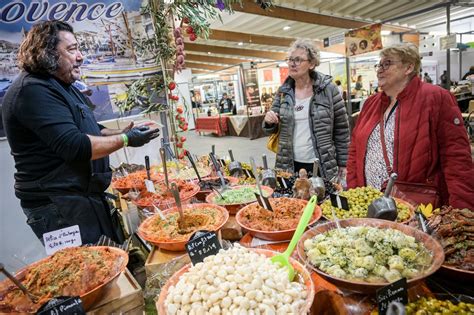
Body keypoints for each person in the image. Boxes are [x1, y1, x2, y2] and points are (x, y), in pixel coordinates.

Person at [2, 21, 160, 245]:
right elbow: (77, 146)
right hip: (58, 205)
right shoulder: (32, 90)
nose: (80, 56)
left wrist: (123, 132)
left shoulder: (61, 85)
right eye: (72, 49)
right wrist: (126, 140)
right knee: (89, 270)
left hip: (82, 197)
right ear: (47, 53)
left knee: (111, 256)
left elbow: (91, 130)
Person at [347, 43, 474, 210]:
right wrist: (353, 193)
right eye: (379, 64)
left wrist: (463, 212)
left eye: (387, 63)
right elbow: (355, 151)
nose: (379, 69)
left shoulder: (436, 98)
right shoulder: (371, 103)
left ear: (408, 67)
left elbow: (456, 159)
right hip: (368, 206)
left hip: (415, 207)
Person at [262, 38, 350, 179]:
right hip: (289, 163)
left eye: (298, 59)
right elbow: (270, 128)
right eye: (290, 59)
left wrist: (343, 163)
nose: (292, 63)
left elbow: (342, 130)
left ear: (312, 63)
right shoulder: (284, 91)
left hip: (321, 163)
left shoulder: (328, 90)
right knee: (292, 200)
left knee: (322, 198)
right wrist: (269, 121)